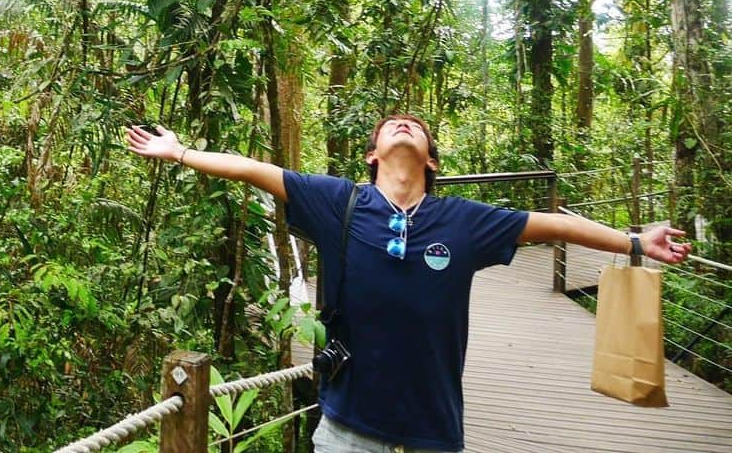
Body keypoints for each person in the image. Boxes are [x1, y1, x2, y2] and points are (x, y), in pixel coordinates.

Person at [125, 114, 691, 453]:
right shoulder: (338, 203)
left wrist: (635, 242)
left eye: (416, 127)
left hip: (433, 424)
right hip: (349, 421)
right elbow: (255, 168)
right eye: (392, 125)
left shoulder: (463, 221)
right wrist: (179, 153)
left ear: (432, 160)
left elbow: (553, 224)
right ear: (373, 155)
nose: (404, 125)